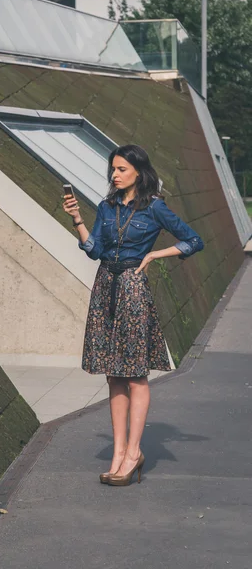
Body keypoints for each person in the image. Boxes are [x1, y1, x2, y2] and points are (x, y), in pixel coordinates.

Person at [63, 144, 204, 486]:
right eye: (113, 168)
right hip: (104, 290)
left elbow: (193, 240)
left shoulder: (155, 208)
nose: (115, 174)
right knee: (113, 375)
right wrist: (78, 220)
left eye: (122, 169)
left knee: (136, 374)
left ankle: (133, 452)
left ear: (138, 172)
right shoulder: (106, 207)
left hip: (132, 290)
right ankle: (117, 453)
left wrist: (156, 255)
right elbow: (94, 250)